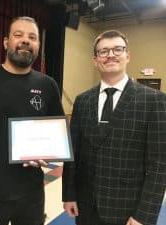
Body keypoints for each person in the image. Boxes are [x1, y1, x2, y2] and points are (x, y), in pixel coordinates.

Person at [62, 30, 166, 225]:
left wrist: (144, 214)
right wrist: (69, 194)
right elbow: (73, 152)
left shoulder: (153, 100)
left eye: (117, 49)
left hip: (128, 209)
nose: (110, 55)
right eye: (103, 51)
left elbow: (159, 164)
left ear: (128, 56)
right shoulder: (82, 100)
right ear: (95, 60)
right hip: (86, 206)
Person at [0, 16, 65, 225]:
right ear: (6, 42)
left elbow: (57, 135)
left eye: (32, 37)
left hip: (32, 193)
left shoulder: (48, 85)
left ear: (38, 45)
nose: (26, 40)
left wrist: (46, 153)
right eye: (18, 35)